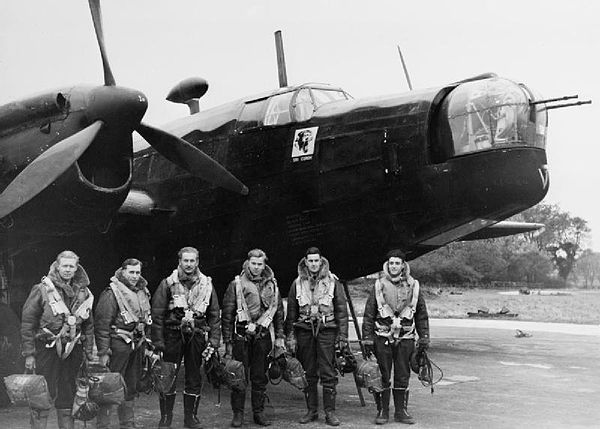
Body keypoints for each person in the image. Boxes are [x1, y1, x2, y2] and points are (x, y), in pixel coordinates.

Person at [20, 250, 94, 429]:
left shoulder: (83, 293)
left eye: (72, 266)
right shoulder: (42, 289)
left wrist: (89, 351)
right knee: (43, 392)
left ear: (77, 269)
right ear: (57, 266)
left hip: (73, 348)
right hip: (47, 348)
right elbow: (28, 323)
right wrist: (29, 354)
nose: (68, 270)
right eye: (65, 266)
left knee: (68, 392)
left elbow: (89, 325)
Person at [151, 247, 221, 429]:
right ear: (180, 261)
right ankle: (165, 418)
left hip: (196, 336)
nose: (189, 265)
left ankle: (191, 418)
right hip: (172, 335)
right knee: (168, 376)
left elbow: (214, 315)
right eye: (185, 261)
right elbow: (157, 314)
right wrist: (158, 342)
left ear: (197, 262)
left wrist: (214, 340)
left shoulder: (207, 284)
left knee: (193, 377)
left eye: (192, 261)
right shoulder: (167, 283)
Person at [361, 250, 430, 425]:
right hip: (382, 336)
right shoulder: (378, 285)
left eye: (397, 263)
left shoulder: (414, 285)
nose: (393, 266)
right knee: (382, 374)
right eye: (391, 263)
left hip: (406, 337)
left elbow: (421, 314)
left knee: (403, 375)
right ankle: (382, 411)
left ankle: (401, 411)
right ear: (387, 265)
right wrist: (367, 338)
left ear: (403, 265)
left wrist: (424, 337)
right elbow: (369, 314)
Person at [285, 247, 348, 427]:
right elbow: (291, 313)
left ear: (321, 261)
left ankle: (330, 412)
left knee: (328, 372)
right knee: (308, 372)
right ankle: (311, 411)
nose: (313, 264)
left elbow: (342, 312)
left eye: (316, 261)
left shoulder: (333, 282)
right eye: (310, 261)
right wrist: (290, 336)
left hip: (326, 330)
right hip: (304, 330)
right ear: (305, 262)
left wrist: (342, 336)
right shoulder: (296, 283)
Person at [221, 249, 285, 427]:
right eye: (253, 264)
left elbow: (279, 313)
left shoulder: (273, 285)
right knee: (239, 376)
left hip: (263, 336)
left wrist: (280, 337)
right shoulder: (236, 284)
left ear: (264, 265)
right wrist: (227, 342)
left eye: (260, 264)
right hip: (241, 336)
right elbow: (227, 315)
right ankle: (238, 414)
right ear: (247, 263)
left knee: (259, 377)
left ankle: (258, 413)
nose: (256, 268)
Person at [94, 258, 152, 429]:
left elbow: (147, 319)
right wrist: (104, 352)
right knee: (110, 385)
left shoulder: (142, 291)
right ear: (123, 271)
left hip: (137, 343)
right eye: (131, 272)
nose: (135, 276)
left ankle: (127, 423)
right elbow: (102, 325)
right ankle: (103, 424)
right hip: (118, 344)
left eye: (138, 272)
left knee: (131, 384)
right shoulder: (111, 293)